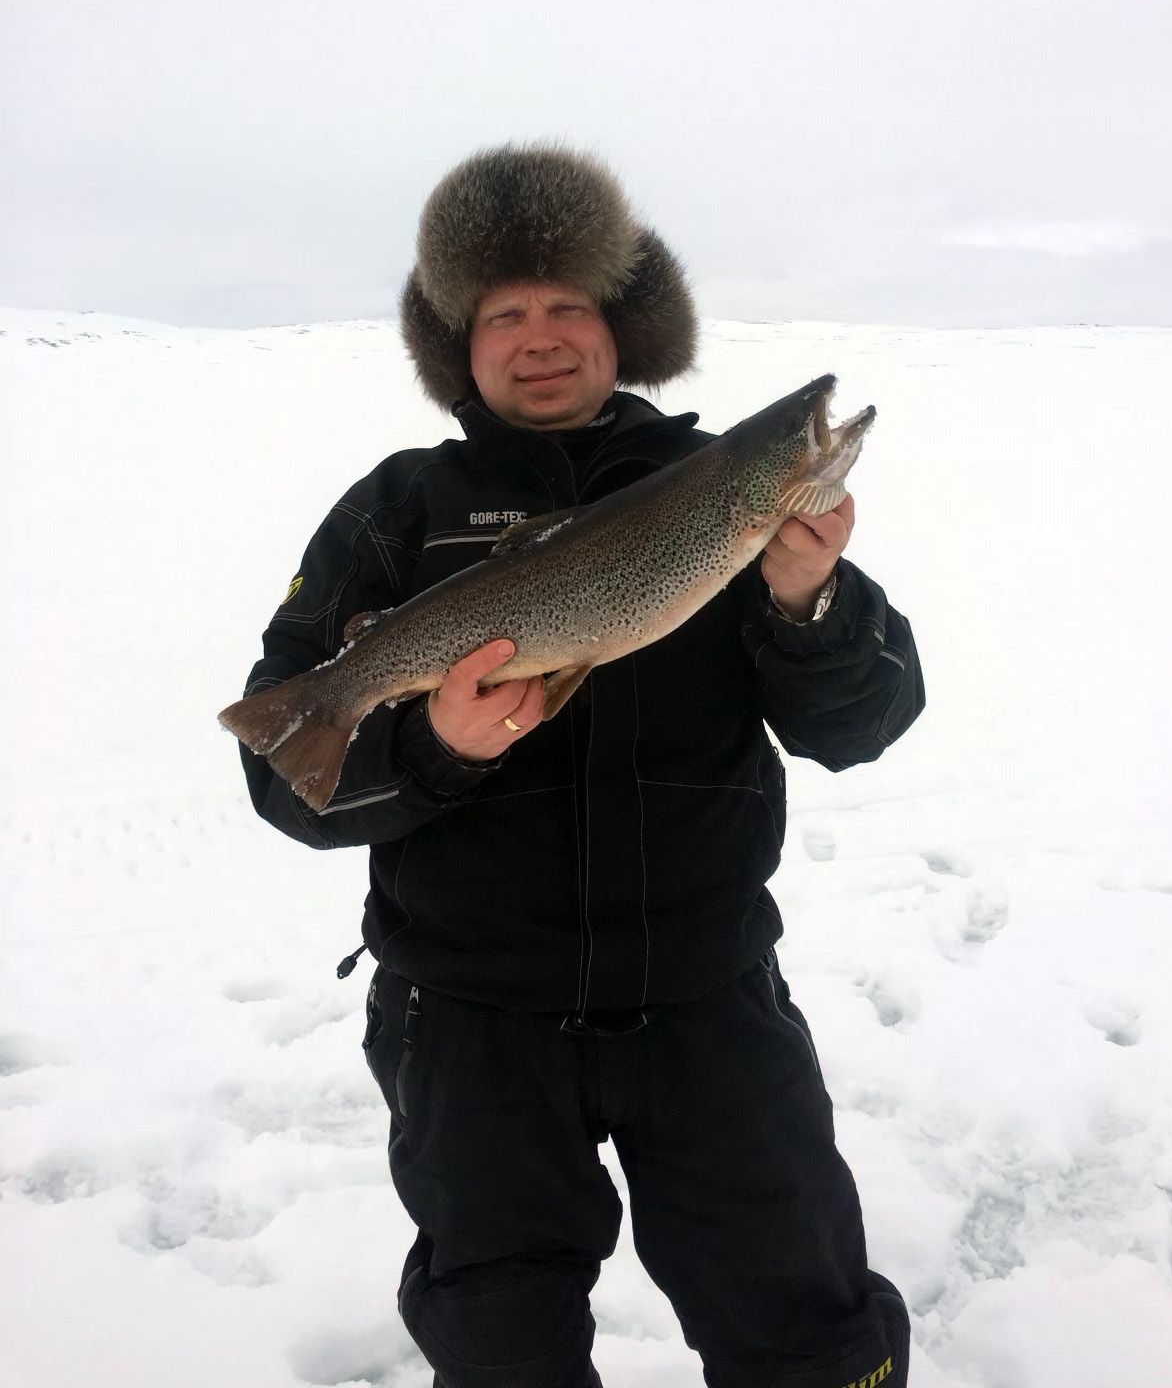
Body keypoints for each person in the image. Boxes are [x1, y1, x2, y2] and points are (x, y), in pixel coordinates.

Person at [236, 143, 925, 1388]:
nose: (540, 337)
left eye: (568, 304)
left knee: (811, 1342)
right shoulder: (396, 511)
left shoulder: (716, 494)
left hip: (710, 1001)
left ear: (623, 328)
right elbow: (294, 785)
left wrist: (809, 598)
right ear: (461, 346)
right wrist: (433, 748)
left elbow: (863, 724)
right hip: (471, 1024)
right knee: (505, 1354)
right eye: (504, 314)